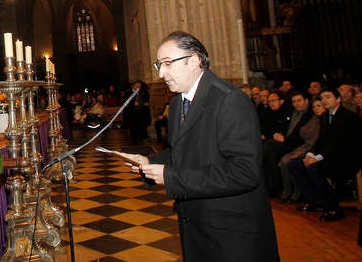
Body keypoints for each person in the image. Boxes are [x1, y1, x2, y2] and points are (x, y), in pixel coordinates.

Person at [119, 31, 279, 261]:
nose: (161, 73)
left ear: (193, 61)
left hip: (231, 232)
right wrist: (150, 164)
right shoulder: (177, 104)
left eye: (167, 64)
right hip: (196, 224)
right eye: (159, 65)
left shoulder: (229, 100)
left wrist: (172, 177)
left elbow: (245, 171)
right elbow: (181, 152)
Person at [287, 88, 362, 221]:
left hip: (346, 158)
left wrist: (317, 158)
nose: (324, 100)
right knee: (294, 164)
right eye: (322, 98)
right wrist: (310, 154)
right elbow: (321, 141)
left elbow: (341, 145)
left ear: (338, 99)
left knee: (314, 167)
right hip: (329, 155)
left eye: (328, 97)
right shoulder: (325, 117)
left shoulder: (349, 117)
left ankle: (333, 208)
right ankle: (314, 200)